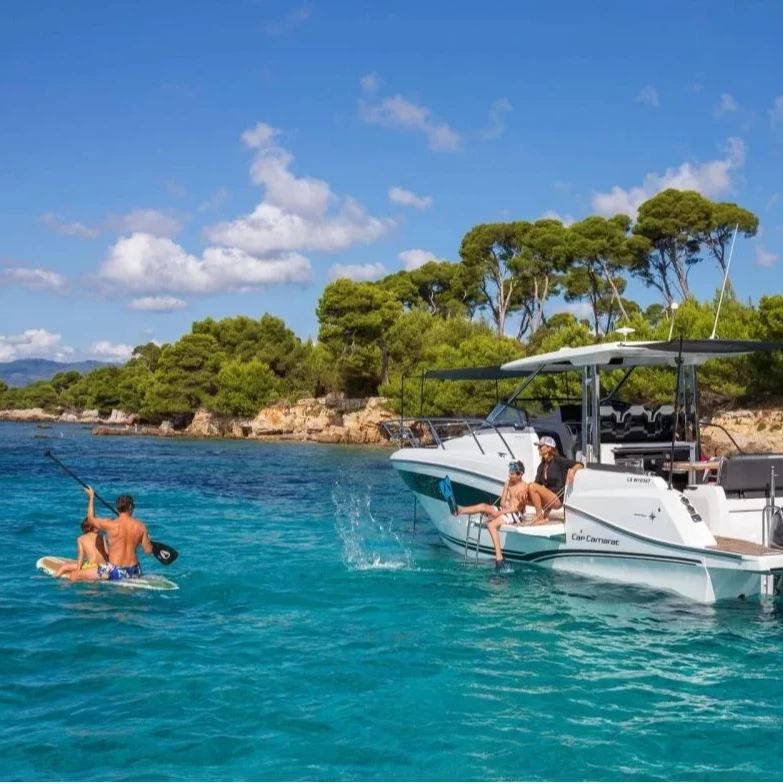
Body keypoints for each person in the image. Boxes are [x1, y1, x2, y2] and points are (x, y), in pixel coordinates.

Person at [68, 487, 154, 582]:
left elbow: (91, 519)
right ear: (130, 507)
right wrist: (147, 540)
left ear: (118, 508)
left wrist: (91, 497)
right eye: (133, 506)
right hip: (135, 571)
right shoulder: (141, 526)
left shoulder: (111, 525)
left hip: (115, 571)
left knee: (73, 575)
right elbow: (148, 551)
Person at [456, 461, 529, 568]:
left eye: (512, 474)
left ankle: (499, 558)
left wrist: (501, 512)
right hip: (507, 509)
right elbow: (502, 502)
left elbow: (520, 507)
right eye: (509, 473)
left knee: (491, 525)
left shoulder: (524, 487)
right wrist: (502, 509)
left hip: (516, 514)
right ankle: (459, 511)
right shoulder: (508, 483)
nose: (509, 476)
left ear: (520, 474)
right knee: (483, 506)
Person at [527, 436, 583, 524]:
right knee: (521, 493)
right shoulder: (541, 466)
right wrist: (524, 492)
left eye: (541, 446)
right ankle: (516, 515)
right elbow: (536, 483)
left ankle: (539, 516)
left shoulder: (558, 460)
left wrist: (572, 470)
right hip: (548, 499)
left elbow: (580, 464)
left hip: (557, 499)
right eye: (539, 446)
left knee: (532, 486)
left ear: (549, 448)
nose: (539, 448)